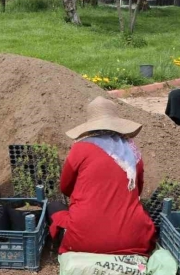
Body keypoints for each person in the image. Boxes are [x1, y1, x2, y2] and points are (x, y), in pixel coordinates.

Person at [48, 96, 156, 255]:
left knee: (54, 206)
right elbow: (136, 191)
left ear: (90, 127)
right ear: (117, 125)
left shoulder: (80, 149)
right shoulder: (132, 153)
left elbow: (65, 187)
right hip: (132, 238)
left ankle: (63, 242)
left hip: (84, 238)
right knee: (140, 211)